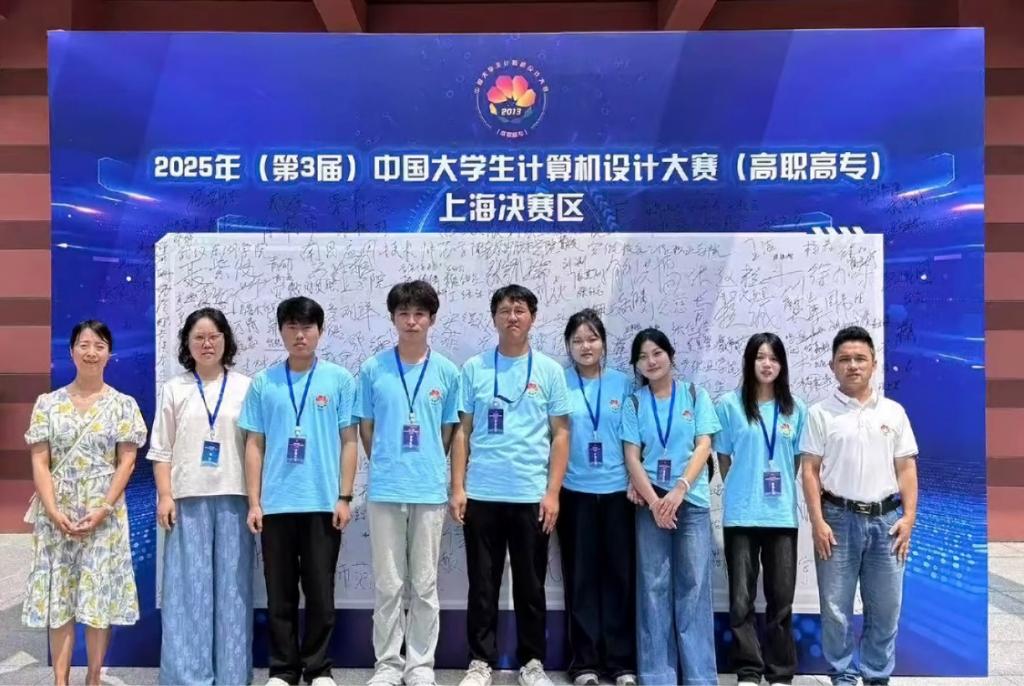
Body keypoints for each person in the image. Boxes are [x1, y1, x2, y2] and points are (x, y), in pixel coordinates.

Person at [450, 284, 571, 686]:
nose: (512, 317)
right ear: (494, 318)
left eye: (520, 310)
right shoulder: (475, 368)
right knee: (482, 585)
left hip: (530, 496)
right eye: (504, 310)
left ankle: (532, 662)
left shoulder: (550, 371)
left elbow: (561, 434)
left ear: (532, 317)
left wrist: (552, 493)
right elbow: (462, 431)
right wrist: (458, 487)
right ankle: (479, 662)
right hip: (482, 494)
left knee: (531, 585)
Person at [239, 296, 358, 686]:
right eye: (291, 327)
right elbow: (254, 444)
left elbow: (349, 441)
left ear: (320, 331)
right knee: (280, 593)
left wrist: (345, 496)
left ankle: (319, 668)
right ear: (281, 332)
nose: (300, 335)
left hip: (323, 503)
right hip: (275, 504)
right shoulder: (264, 382)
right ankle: (283, 669)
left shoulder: (339, 379)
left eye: (307, 327)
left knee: (321, 591)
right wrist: (254, 502)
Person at [22, 320, 148, 686]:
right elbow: (40, 461)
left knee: (97, 597)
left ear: (109, 354)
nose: (91, 352)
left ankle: (94, 677)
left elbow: (127, 461)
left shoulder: (123, 405)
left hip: (103, 513)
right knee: (59, 597)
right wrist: (52, 510)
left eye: (99, 346)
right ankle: (60, 680)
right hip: (56, 512)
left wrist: (104, 508)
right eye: (84, 345)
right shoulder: (47, 404)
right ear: (72, 351)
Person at [356, 281, 461, 686]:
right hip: (385, 489)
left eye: (419, 314)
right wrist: (388, 462)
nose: (412, 321)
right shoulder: (373, 369)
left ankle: (419, 667)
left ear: (431, 319)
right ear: (393, 318)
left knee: (425, 585)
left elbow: (449, 431)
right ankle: (387, 665)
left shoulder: (447, 371)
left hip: (429, 490)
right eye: (404, 314)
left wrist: (428, 464)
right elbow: (367, 429)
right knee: (388, 584)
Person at [801, 326, 918, 686]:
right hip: (836, 519)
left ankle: (876, 675)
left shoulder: (894, 412)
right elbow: (810, 470)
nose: (852, 365)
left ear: (874, 364)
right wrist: (818, 522)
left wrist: (909, 518)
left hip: (887, 521)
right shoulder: (820, 413)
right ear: (832, 366)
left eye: (860, 359)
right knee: (835, 607)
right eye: (845, 359)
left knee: (886, 607)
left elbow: (906, 468)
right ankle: (842, 674)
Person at [150, 307, 254, 685]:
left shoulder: (246, 386)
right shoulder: (174, 388)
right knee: (187, 592)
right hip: (187, 498)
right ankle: (187, 677)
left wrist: (256, 501)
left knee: (233, 591)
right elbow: (161, 449)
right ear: (187, 343)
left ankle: (232, 675)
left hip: (235, 497)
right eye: (199, 337)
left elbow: (256, 447)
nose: (207, 344)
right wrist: (165, 495)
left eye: (214, 336)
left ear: (226, 340)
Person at [621, 328, 720, 686]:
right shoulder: (634, 403)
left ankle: (700, 677)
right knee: (653, 586)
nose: (651, 361)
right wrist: (654, 502)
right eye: (642, 356)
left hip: (689, 501)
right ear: (636, 365)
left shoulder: (695, 395)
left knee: (694, 586)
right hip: (651, 502)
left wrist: (679, 489)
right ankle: (657, 676)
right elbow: (632, 456)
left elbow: (704, 445)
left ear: (671, 355)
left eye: (657, 353)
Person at [714, 333, 806, 686]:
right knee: (741, 600)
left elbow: (795, 461)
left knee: (781, 601)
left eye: (774, 358)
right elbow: (724, 458)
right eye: (760, 357)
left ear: (782, 365)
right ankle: (749, 672)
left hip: (781, 516)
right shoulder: (729, 405)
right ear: (749, 362)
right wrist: (744, 485)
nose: (767, 364)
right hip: (741, 514)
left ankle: (780, 673)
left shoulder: (795, 409)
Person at [558, 309, 637, 686]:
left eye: (592, 338)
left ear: (603, 343)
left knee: (620, 578)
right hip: (574, 494)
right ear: (568, 346)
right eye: (577, 340)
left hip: (620, 494)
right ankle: (585, 663)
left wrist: (637, 480)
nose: (585, 346)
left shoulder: (624, 384)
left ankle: (621, 663)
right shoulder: (560, 382)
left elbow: (636, 437)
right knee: (581, 580)